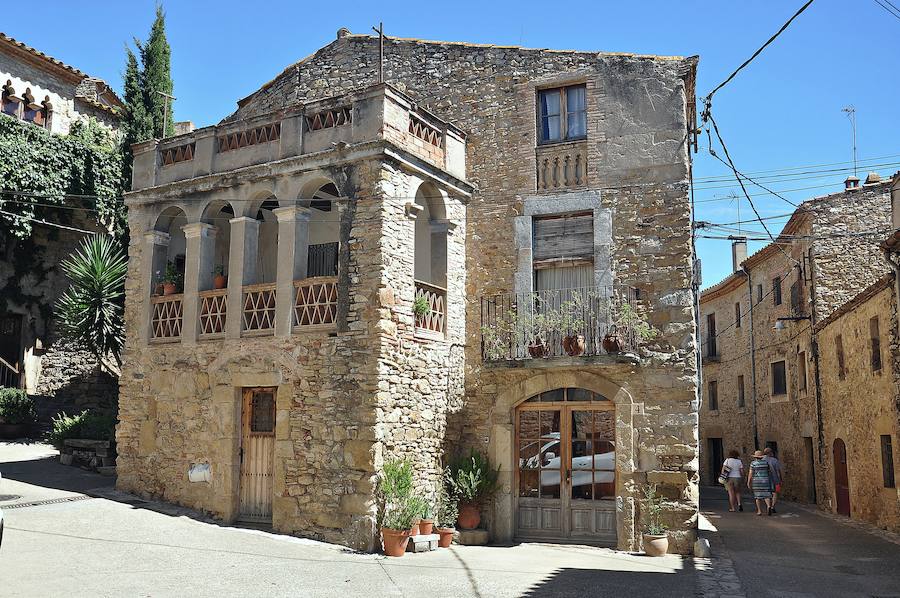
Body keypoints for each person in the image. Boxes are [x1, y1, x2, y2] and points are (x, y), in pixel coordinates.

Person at [747, 449, 773, 516]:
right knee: (767, 495)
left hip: (757, 481)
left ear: (755, 457)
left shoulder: (753, 463)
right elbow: (769, 471)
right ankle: (769, 506)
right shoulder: (766, 463)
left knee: (757, 497)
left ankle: (759, 511)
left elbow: (751, 473)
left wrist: (748, 482)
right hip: (766, 480)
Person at [764, 447, 784, 513]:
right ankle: (772, 506)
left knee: (766, 493)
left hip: (765, 480)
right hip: (775, 479)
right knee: (775, 493)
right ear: (770, 453)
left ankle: (768, 506)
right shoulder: (775, 460)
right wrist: (780, 480)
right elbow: (778, 471)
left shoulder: (762, 460)